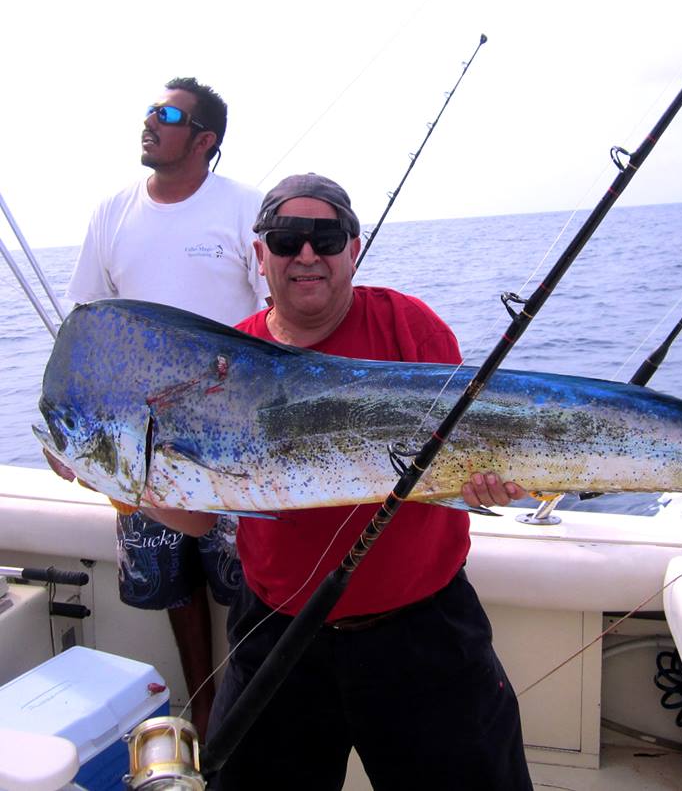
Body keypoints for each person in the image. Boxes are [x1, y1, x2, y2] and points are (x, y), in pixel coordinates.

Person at [147, 174, 535, 789]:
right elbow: (198, 517)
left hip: (424, 634)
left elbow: (471, 449)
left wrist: (487, 481)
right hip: (278, 634)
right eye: (286, 238)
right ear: (260, 255)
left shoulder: (410, 327)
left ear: (353, 249)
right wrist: (126, 486)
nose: (306, 255)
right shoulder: (225, 363)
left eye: (325, 238)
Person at [64, 77, 270, 741]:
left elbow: (281, 317)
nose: (150, 121)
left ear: (205, 140)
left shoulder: (244, 207)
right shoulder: (111, 212)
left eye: (169, 114)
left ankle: (243, 708)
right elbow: (88, 324)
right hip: (137, 437)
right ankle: (204, 700)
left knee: (244, 578)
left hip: (236, 434)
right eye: (150, 110)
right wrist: (72, 434)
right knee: (171, 581)